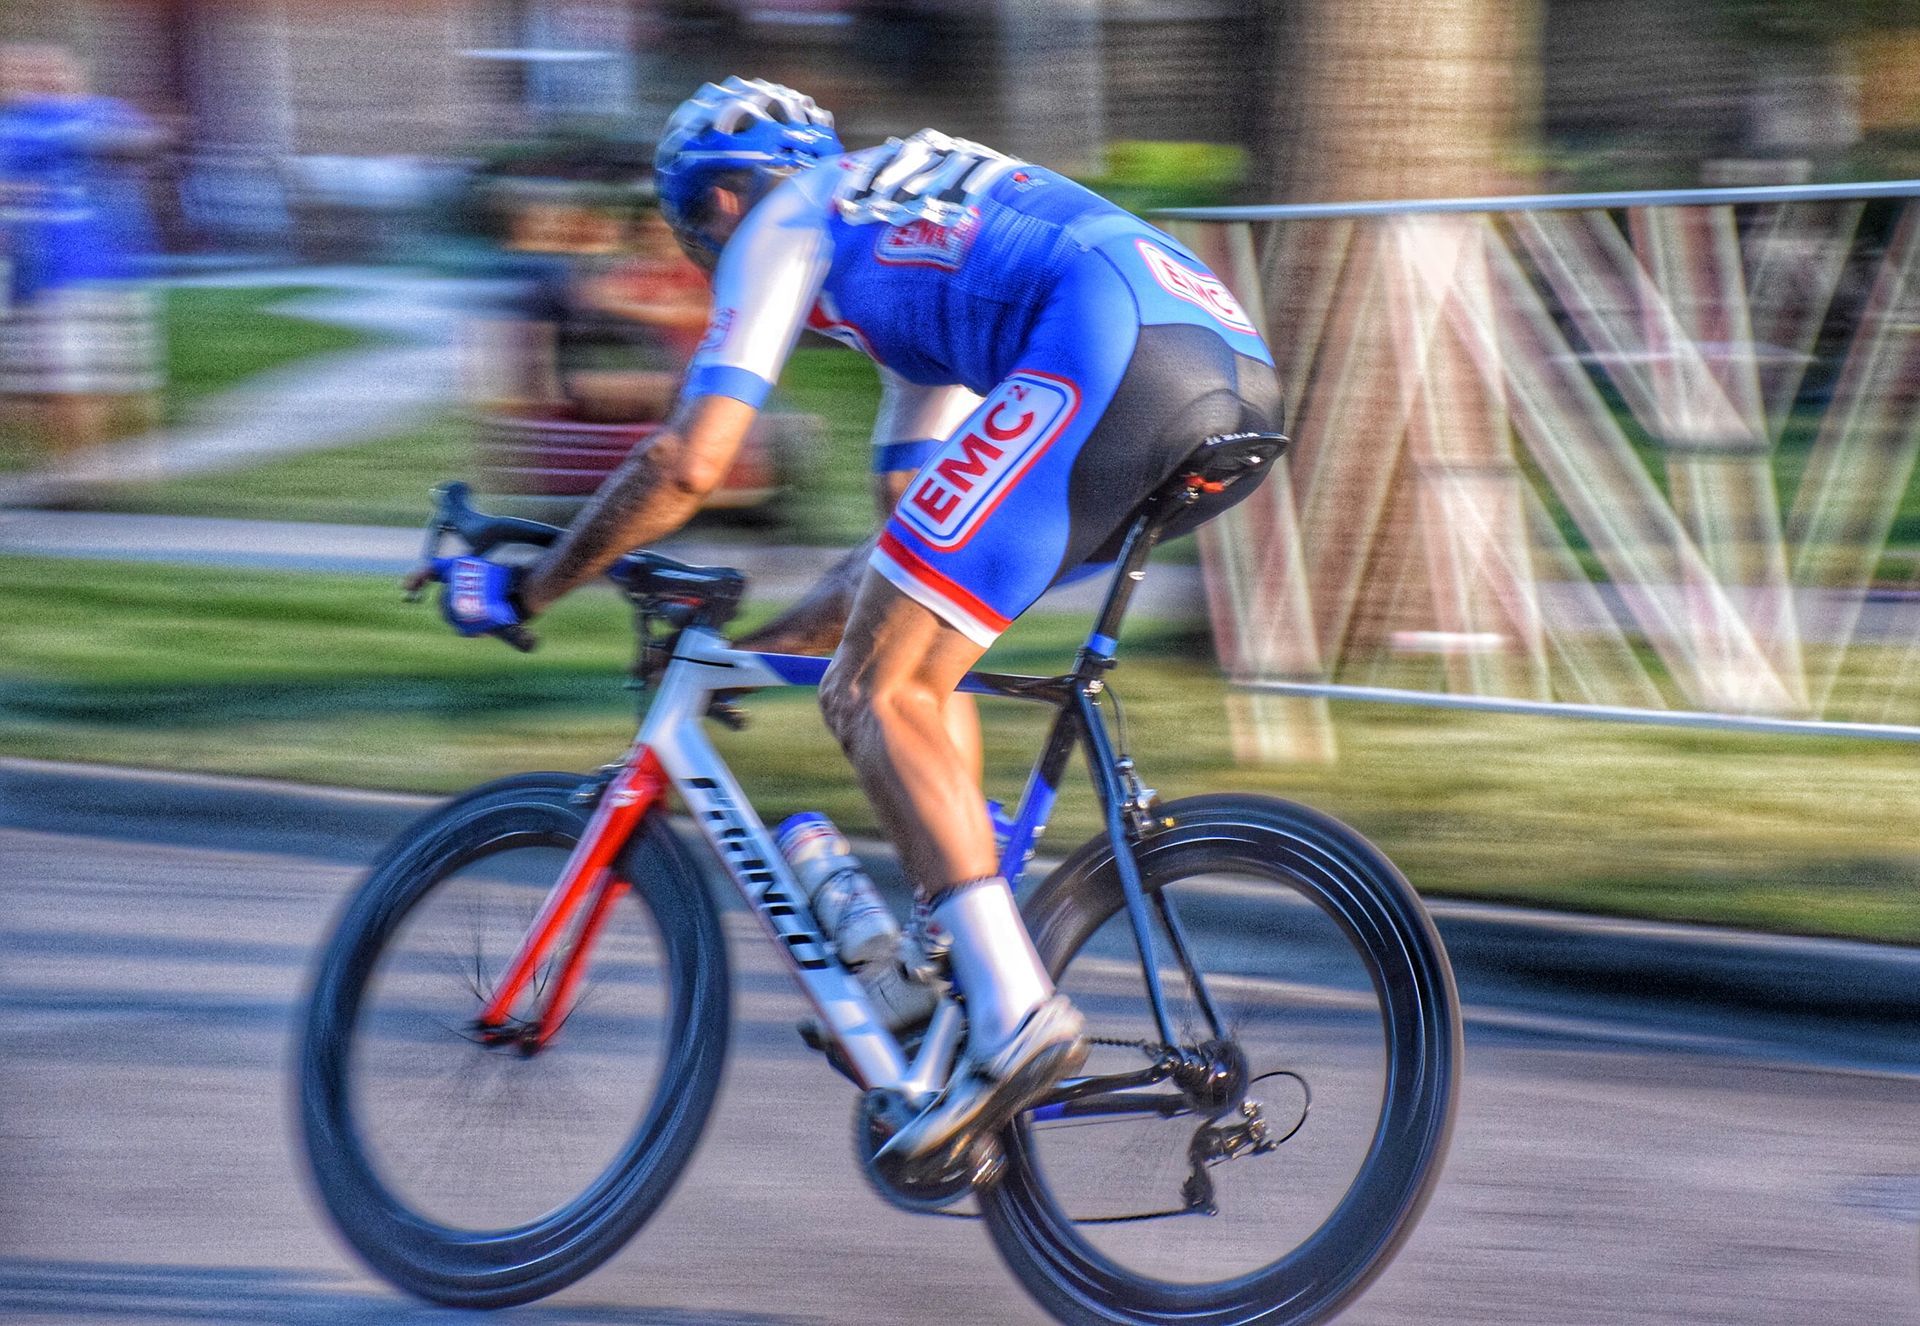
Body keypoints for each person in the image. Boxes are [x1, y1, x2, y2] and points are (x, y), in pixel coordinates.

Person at [425, 77, 1282, 1175]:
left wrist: (529, 586)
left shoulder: (790, 218)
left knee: (878, 687)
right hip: (1221, 371)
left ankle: (1013, 1009)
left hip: (1114, 345)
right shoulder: (909, 280)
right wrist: (758, 652)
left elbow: (689, 460)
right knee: (910, 662)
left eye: (692, 230)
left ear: (721, 204)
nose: (701, 256)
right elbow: (904, 548)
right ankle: (965, 969)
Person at [0, 44, 162, 462]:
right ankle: (78, 465)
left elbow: (146, 144)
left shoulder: (107, 111)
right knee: (64, 379)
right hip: (52, 273)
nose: (47, 77)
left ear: (79, 71)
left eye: (56, 68)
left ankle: (122, 463)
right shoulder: (18, 126)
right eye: (36, 71)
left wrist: (106, 142)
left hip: (119, 266)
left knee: (121, 379)